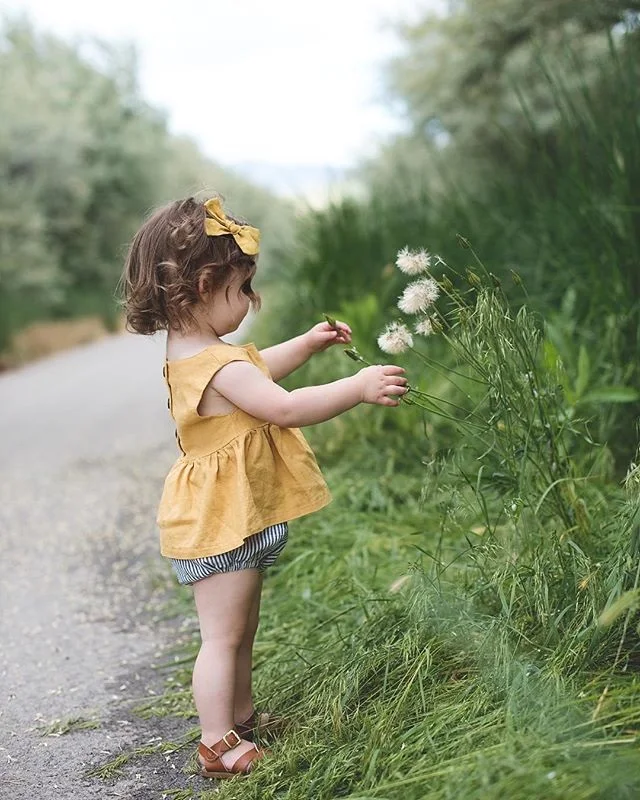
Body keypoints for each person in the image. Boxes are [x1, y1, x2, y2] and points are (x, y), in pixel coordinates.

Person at [121, 195, 408, 780]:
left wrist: (304, 343)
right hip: (220, 521)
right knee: (222, 637)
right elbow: (282, 407)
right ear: (205, 284)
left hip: (233, 514)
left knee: (239, 629)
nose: (250, 302)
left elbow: (257, 370)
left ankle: (242, 717)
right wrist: (355, 386)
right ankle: (215, 744)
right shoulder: (214, 365)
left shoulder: (204, 354)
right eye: (244, 288)